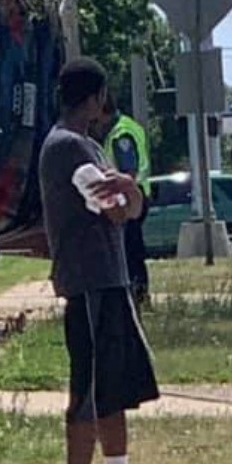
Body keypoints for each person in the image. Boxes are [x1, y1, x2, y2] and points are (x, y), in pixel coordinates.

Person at [37, 58, 159, 464]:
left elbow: (130, 206)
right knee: (86, 392)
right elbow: (116, 211)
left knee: (114, 392)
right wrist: (129, 192)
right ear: (95, 99)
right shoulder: (70, 147)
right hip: (89, 282)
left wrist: (130, 194)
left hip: (109, 281)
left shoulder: (83, 144)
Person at [102, 90, 151, 306]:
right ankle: (137, 294)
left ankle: (138, 295)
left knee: (129, 250)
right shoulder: (125, 126)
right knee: (131, 248)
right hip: (134, 195)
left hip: (130, 197)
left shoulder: (121, 134)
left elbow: (128, 172)